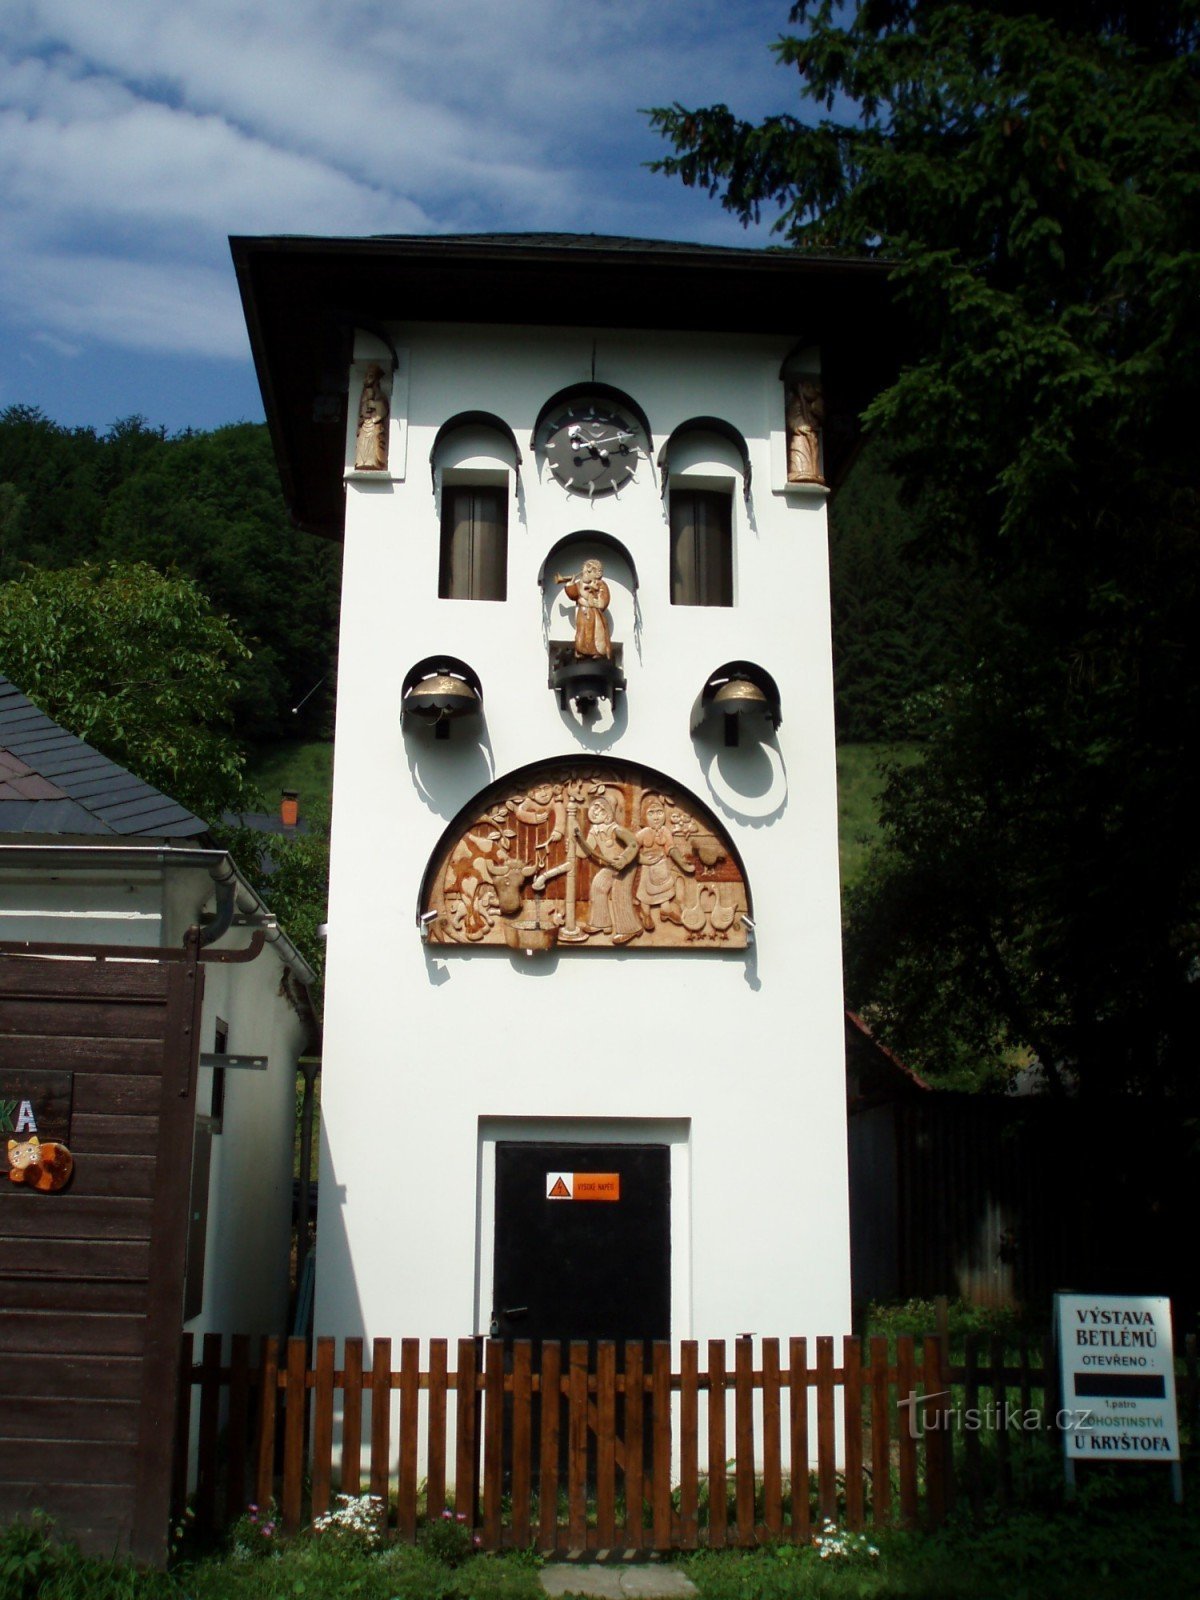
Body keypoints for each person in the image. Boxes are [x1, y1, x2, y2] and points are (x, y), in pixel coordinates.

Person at [575, 794, 640, 944]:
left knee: (619, 892)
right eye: (595, 806)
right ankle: (601, 923)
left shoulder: (616, 830)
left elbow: (633, 844)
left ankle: (628, 929)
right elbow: (584, 853)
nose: (596, 811)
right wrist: (575, 843)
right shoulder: (594, 830)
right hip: (611, 866)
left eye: (601, 809)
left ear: (609, 815)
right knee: (598, 885)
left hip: (626, 866)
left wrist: (624, 859)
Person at [635, 797, 695, 931]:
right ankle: (645, 914)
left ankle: (665, 911)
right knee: (646, 894)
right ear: (644, 816)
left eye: (659, 812)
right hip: (647, 867)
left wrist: (682, 862)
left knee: (665, 890)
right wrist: (640, 859)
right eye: (651, 813)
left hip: (662, 866)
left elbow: (671, 848)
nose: (656, 817)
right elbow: (632, 847)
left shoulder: (665, 831)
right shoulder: (643, 833)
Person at [558, 559, 612, 659]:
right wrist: (571, 584)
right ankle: (580, 650)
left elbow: (604, 596)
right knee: (582, 631)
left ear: (595, 573)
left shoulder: (600, 584)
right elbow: (573, 595)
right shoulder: (580, 584)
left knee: (595, 632)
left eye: (587, 572)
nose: (584, 574)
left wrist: (599, 601)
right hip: (582, 612)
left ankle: (596, 651)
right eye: (584, 571)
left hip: (594, 612)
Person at [354, 364, 389, 470]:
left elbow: (383, 409)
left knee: (374, 440)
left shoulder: (380, 394)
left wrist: (374, 404)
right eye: (367, 376)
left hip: (375, 424)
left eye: (370, 376)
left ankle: (373, 461)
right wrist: (365, 408)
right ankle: (362, 461)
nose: (367, 379)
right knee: (363, 441)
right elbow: (362, 411)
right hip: (366, 423)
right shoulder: (364, 394)